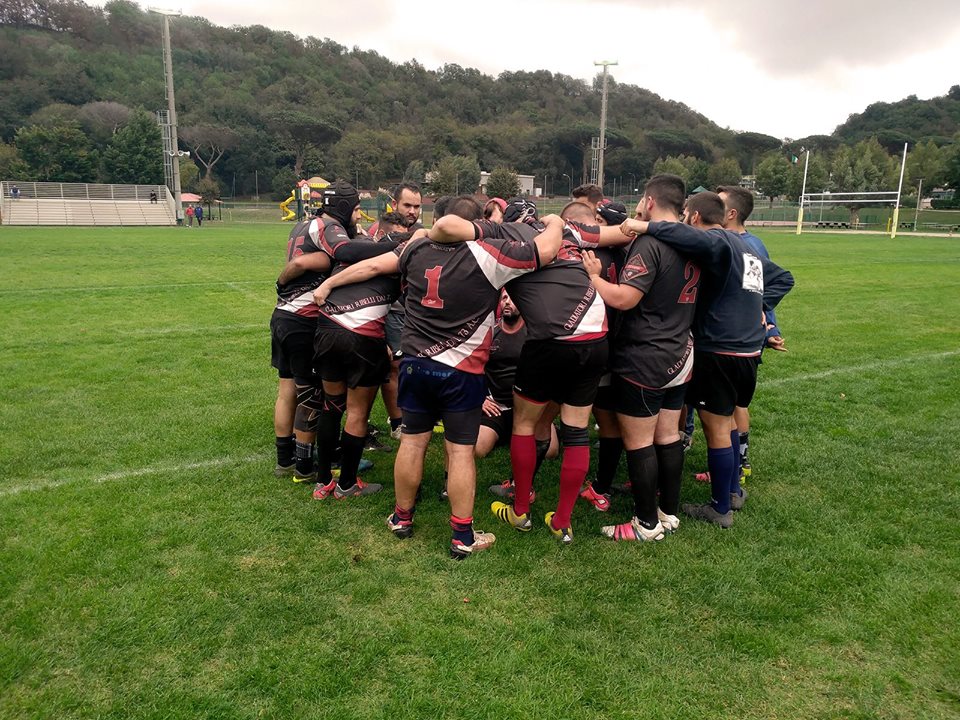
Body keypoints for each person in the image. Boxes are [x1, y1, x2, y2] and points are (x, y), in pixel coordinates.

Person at [316, 195, 567, 559]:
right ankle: (462, 535)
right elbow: (545, 249)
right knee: (459, 451)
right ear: (475, 226)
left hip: (416, 364)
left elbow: (371, 267)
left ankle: (402, 518)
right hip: (461, 371)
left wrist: (328, 285)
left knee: (413, 443)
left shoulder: (415, 249)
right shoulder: (487, 255)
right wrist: (556, 223)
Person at [621, 191, 794, 528]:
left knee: (715, 428)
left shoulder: (718, 241)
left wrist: (642, 227)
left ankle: (720, 508)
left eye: (686, 215)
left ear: (695, 218)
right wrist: (756, 306)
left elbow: (682, 234)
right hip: (746, 350)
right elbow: (783, 278)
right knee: (727, 422)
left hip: (719, 349)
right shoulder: (746, 247)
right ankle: (731, 493)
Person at [480, 198, 628, 544]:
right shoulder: (569, 231)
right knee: (576, 429)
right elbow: (619, 233)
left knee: (524, 423)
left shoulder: (506, 242)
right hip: (595, 338)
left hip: (551, 341)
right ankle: (562, 521)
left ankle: (520, 510)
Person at [583, 174, 699, 541]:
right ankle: (668, 512)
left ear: (649, 202)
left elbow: (624, 298)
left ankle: (645, 524)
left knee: (640, 441)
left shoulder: (650, 242)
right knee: (669, 435)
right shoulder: (696, 243)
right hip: (681, 351)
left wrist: (594, 277)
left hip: (645, 355)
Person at [717, 185, 787, 479]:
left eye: (717, 204)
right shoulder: (735, 241)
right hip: (742, 336)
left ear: (731, 213)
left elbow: (759, 290)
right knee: (731, 403)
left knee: (733, 405)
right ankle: (736, 463)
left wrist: (768, 322)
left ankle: (739, 464)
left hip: (737, 339)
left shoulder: (748, 245)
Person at [271, 210, 332, 480]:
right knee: (310, 394)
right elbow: (300, 264)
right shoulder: (326, 228)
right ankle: (304, 464)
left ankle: (285, 458)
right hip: (301, 321)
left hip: (282, 315)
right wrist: (282, 280)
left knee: (287, 390)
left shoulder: (301, 226)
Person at [477, 291, 559, 467]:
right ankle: (505, 433)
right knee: (478, 449)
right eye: (504, 298)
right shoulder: (491, 333)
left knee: (550, 452)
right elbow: (475, 368)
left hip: (528, 408)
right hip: (497, 407)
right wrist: (480, 398)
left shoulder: (534, 334)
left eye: (512, 299)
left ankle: (546, 431)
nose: (507, 303)